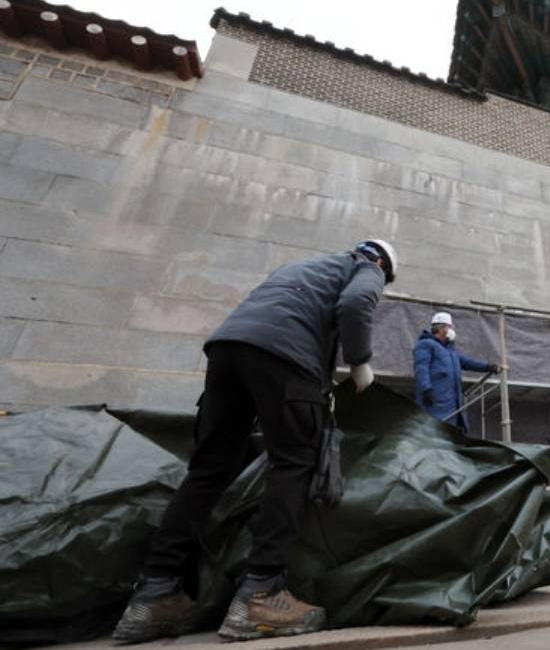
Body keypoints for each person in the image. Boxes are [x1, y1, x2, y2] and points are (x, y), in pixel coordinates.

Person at [112, 239, 398, 644]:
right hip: (282, 355)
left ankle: (156, 593)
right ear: (382, 264)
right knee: (294, 462)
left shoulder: (301, 268)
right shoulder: (366, 267)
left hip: (226, 351)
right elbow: (354, 306)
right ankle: (260, 592)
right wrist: (360, 364)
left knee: (208, 469)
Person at [413, 311, 499, 431]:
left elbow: (467, 362)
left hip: (452, 404)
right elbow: (421, 368)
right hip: (436, 402)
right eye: (450, 326)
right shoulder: (425, 345)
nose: (452, 329)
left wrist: (487, 367)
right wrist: (426, 389)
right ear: (442, 328)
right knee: (434, 432)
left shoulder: (450, 351)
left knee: (451, 433)